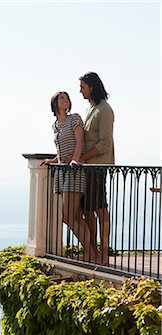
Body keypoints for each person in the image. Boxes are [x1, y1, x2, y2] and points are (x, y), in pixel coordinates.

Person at [42, 91, 96, 261]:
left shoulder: (75, 119)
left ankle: (89, 253)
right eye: (61, 98)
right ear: (55, 103)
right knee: (75, 216)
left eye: (66, 98)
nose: (65, 100)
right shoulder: (55, 125)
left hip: (74, 170)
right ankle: (90, 253)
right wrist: (54, 160)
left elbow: (80, 142)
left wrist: (75, 160)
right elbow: (62, 149)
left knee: (67, 216)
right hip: (62, 171)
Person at [79, 72, 115, 265]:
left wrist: (82, 157)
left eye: (82, 87)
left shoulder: (105, 110)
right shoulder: (91, 109)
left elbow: (104, 144)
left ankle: (103, 253)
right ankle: (92, 250)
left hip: (97, 168)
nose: (80, 91)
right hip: (88, 168)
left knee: (100, 209)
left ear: (91, 87)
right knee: (87, 209)